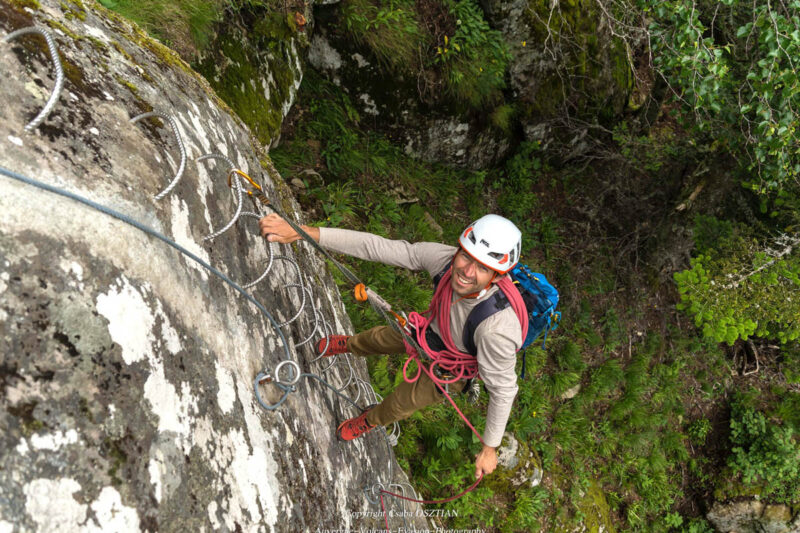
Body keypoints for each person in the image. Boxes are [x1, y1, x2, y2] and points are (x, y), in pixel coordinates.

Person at [258, 213, 524, 479]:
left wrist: (490, 447)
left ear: (497, 277)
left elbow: (503, 390)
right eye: (466, 256)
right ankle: (349, 345)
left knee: (398, 405)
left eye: (483, 268)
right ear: (460, 249)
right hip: (426, 332)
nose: (467, 271)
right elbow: (379, 247)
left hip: (450, 369)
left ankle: (369, 420)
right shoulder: (445, 260)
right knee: (375, 339)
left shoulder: (496, 330)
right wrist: (304, 231)